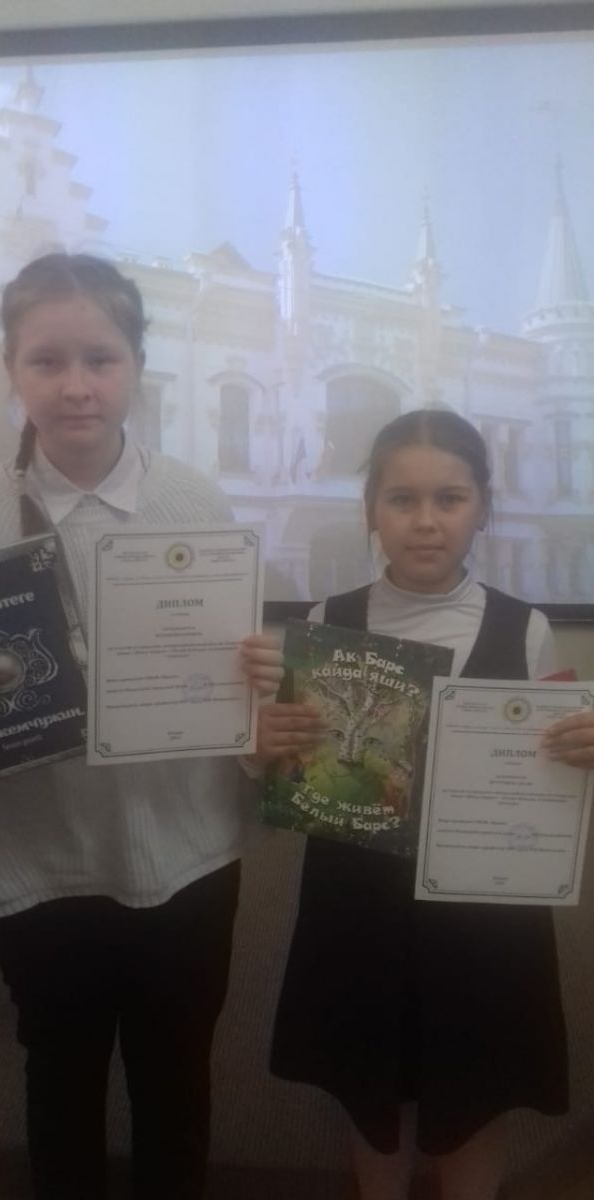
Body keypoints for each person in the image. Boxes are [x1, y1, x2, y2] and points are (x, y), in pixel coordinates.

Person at [0, 252, 281, 1199]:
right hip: (38, 864)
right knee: (60, 1075)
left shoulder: (192, 501)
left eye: (100, 358)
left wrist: (259, 686)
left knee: (177, 1077)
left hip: (188, 853)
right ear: (11, 370)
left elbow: (233, 688)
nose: (75, 386)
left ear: (136, 367)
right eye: (46, 360)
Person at [254, 408, 594, 1200]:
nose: (425, 521)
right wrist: (264, 745)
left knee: (472, 1096)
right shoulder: (325, 622)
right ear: (370, 509)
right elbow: (296, 770)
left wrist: (577, 751)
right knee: (373, 1099)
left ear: (481, 507)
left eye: (449, 498)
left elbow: (541, 777)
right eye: (401, 499)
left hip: (482, 915)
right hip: (357, 902)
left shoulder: (524, 628)